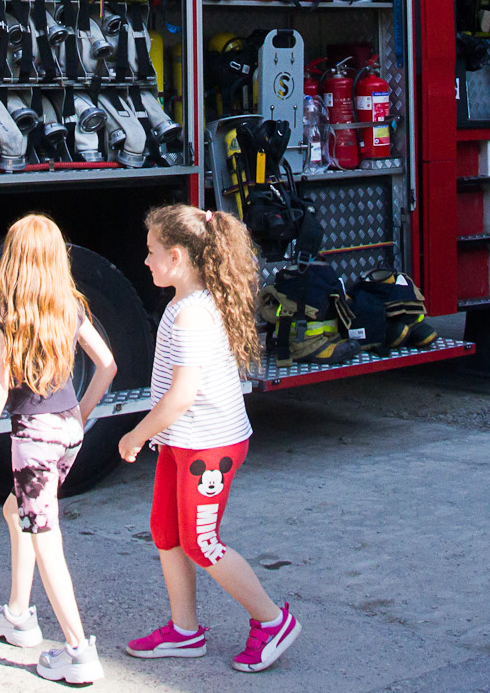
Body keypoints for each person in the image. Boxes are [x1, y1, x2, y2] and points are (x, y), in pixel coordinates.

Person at [118, 205, 299, 674]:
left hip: (208, 448)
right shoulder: (186, 305)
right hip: (185, 441)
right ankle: (184, 631)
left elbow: (182, 395)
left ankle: (272, 621)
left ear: (176, 257)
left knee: (200, 542)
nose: (146, 261)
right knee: (166, 532)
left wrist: (138, 434)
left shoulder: (191, 317)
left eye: (151, 252)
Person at [0, 215, 118, 685]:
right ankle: (17, 614)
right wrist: (81, 414)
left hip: (32, 440)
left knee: (44, 537)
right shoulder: (69, 306)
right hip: (68, 435)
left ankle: (77, 649)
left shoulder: (6, 312)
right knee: (18, 513)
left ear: (12, 259)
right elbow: (108, 364)